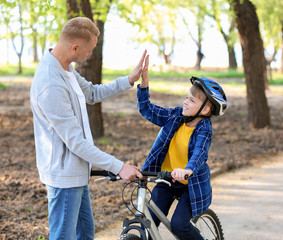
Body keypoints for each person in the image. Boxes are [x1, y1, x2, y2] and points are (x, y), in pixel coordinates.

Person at [30, 17, 143, 240]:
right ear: (75, 47)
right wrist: (119, 167)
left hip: (78, 172)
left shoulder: (66, 69)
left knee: (85, 234)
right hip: (64, 178)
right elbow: (75, 142)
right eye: (89, 50)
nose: (90, 55)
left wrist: (129, 80)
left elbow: (92, 92)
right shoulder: (51, 83)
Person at [137, 55, 227, 239]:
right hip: (167, 179)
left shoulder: (204, 129)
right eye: (187, 97)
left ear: (205, 110)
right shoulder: (176, 116)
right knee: (148, 222)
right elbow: (147, 109)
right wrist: (144, 85)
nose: (185, 102)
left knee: (179, 225)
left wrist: (187, 170)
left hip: (190, 185)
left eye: (192, 101)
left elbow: (199, 154)